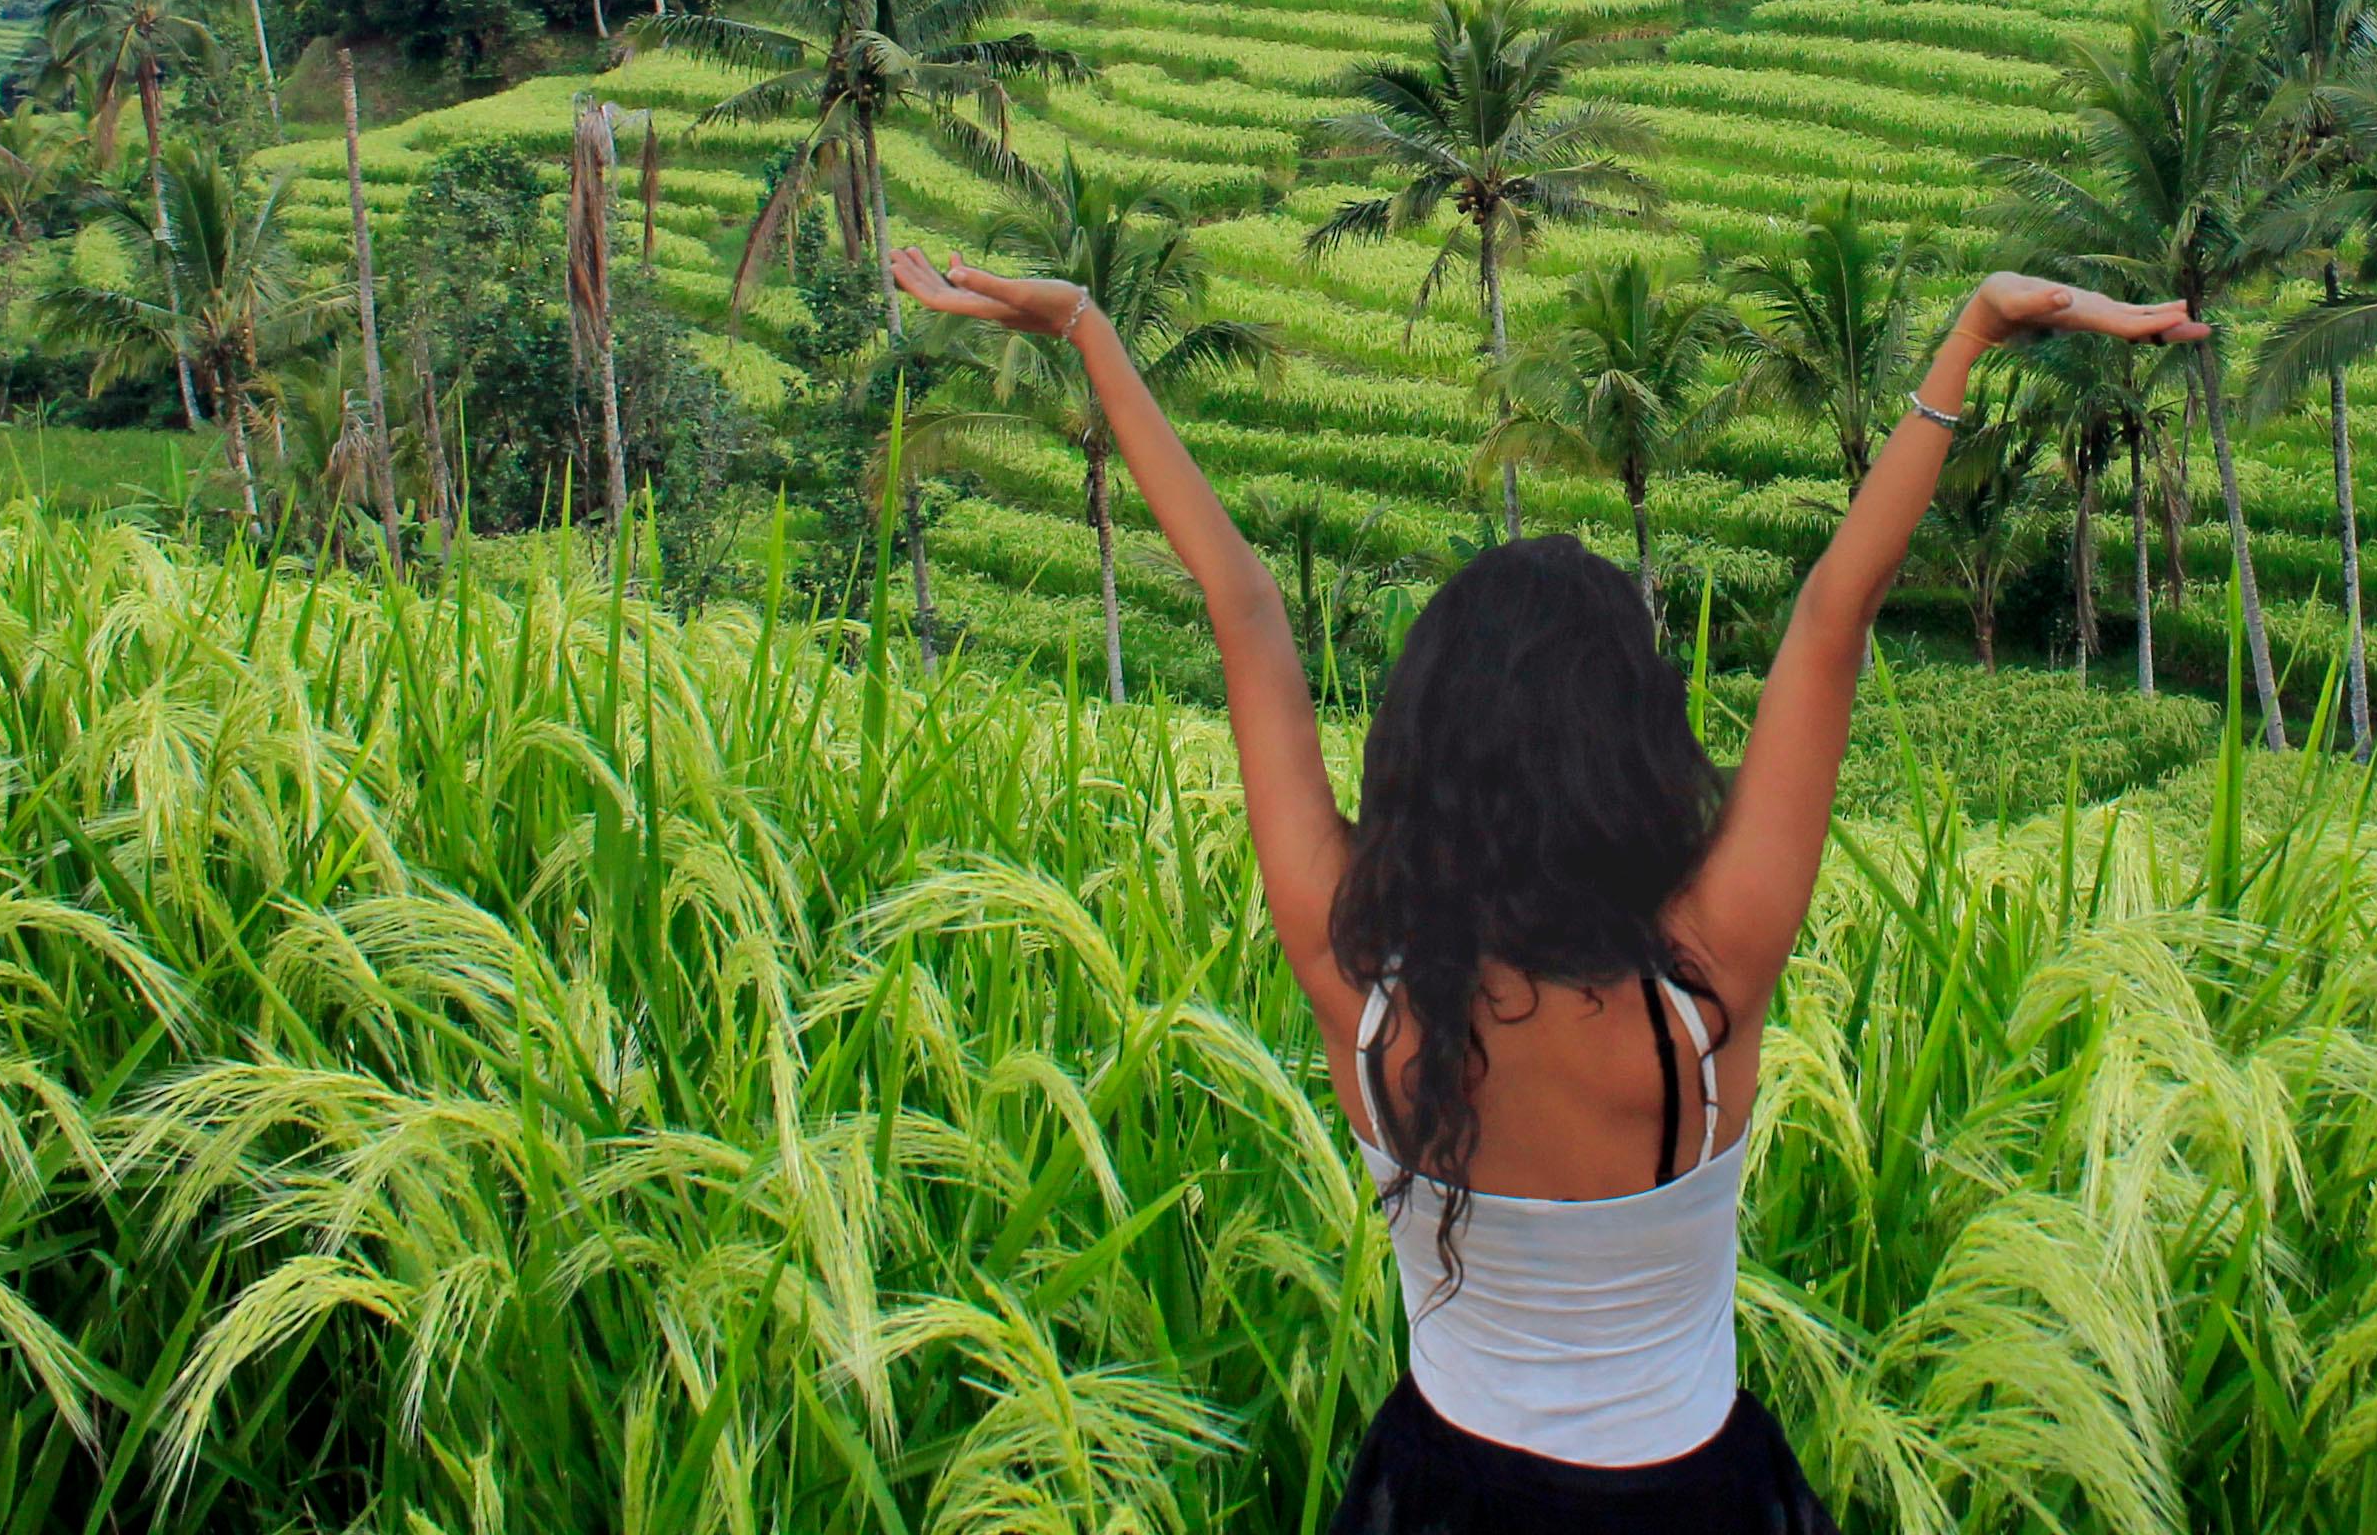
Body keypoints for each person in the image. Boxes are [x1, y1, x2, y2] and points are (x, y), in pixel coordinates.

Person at [892, 246, 2203, 1531]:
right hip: (1695, 1495)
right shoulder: (1705, 980)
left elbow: (1244, 608)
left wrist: (1088, 331)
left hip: (1441, 1489)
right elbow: (1829, 619)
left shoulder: (1361, 978)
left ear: (1423, 740)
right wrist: (1968, 339)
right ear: (1629, 740)